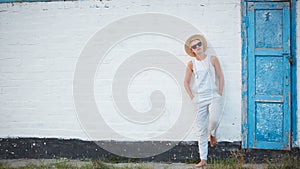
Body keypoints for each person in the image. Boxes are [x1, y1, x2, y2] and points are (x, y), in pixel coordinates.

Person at [183, 34, 224, 168]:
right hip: (200, 98)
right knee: (200, 129)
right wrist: (192, 97)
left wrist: (219, 93)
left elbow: (220, 76)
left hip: (213, 96)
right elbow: (186, 82)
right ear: (192, 50)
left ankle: (212, 134)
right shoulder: (191, 63)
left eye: (199, 44)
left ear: (202, 45)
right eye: (194, 46)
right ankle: (203, 159)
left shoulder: (212, 59)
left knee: (214, 120)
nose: (197, 47)